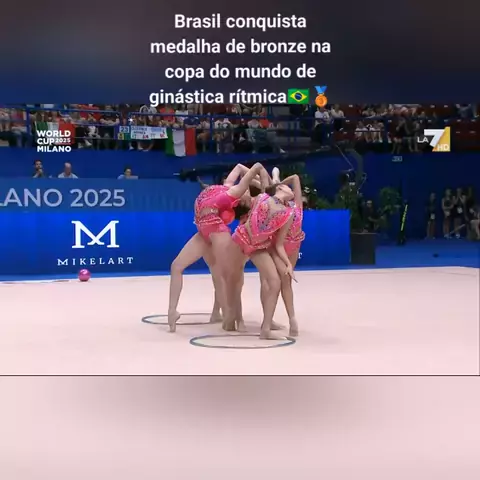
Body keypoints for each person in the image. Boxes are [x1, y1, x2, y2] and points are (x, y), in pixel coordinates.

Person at [167, 162, 270, 332]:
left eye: (247, 193)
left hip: (217, 232)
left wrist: (262, 183)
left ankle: (233, 316)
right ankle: (172, 311)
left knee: (228, 275)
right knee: (176, 266)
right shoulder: (228, 187)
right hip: (203, 232)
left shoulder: (233, 193)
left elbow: (254, 168)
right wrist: (261, 180)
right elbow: (242, 167)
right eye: (246, 190)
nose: (246, 192)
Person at [228, 182, 296, 340]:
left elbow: (279, 244)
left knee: (275, 282)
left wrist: (288, 264)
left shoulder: (288, 213)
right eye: (288, 187)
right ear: (280, 188)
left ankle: (265, 329)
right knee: (234, 279)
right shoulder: (261, 197)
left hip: (258, 247)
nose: (291, 189)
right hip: (241, 238)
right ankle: (234, 318)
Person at [269, 169, 305, 337]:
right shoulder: (285, 208)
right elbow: (295, 178)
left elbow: (295, 177)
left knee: (280, 283)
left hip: (288, 246)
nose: (288, 188)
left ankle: (284, 319)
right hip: (284, 246)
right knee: (280, 283)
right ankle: (289, 319)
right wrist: (278, 184)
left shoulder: (292, 206)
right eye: (284, 188)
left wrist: (278, 182)